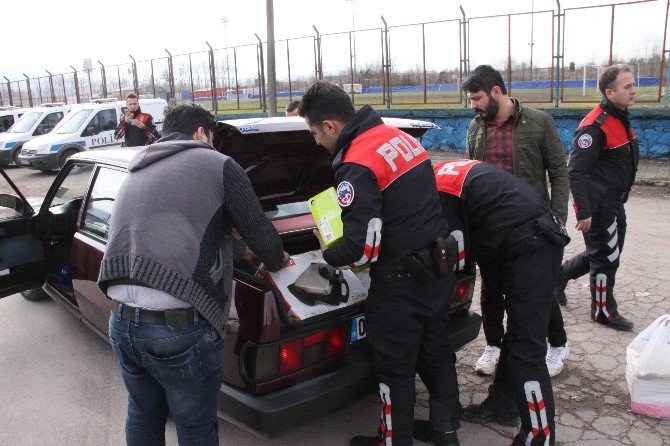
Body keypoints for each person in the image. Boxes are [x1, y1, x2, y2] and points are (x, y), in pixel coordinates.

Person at [98, 102, 289, 446]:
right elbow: (263, 236)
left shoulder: (138, 168)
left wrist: (236, 253)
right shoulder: (216, 163)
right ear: (202, 133)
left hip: (122, 323)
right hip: (177, 330)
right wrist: (279, 259)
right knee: (196, 427)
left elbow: (180, 231)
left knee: (143, 414)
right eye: (213, 139)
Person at [299, 81, 460, 446]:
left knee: (395, 370)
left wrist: (326, 252)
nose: (314, 141)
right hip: (438, 266)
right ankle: (446, 433)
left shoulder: (356, 163)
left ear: (329, 125)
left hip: (400, 283)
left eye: (312, 132)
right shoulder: (400, 138)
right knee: (436, 354)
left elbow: (362, 250)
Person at [435, 159, 565, 446]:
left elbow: (454, 257)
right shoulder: (447, 172)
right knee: (519, 337)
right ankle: (503, 405)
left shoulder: (440, 192)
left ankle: (537, 437)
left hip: (528, 246)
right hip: (533, 238)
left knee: (526, 350)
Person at [463, 64, 571, 378]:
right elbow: (472, 177)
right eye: (470, 99)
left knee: (538, 291)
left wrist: (558, 219)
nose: (473, 105)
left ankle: (558, 344)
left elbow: (559, 174)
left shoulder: (539, 122)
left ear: (497, 91)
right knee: (492, 289)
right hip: (490, 228)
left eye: (477, 98)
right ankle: (494, 345)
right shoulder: (475, 128)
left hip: (533, 228)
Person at [554, 64, 638, 331]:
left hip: (614, 201)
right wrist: (583, 212)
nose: (633, 90)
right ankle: (602, 310)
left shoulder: (621, 116)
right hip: (600, 204)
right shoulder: (594, 126)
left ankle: (559, 276)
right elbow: (575, 171)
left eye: (633, 84)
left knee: (605, 253)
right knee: (607, 258)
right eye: (628, 86)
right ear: (610, 92)